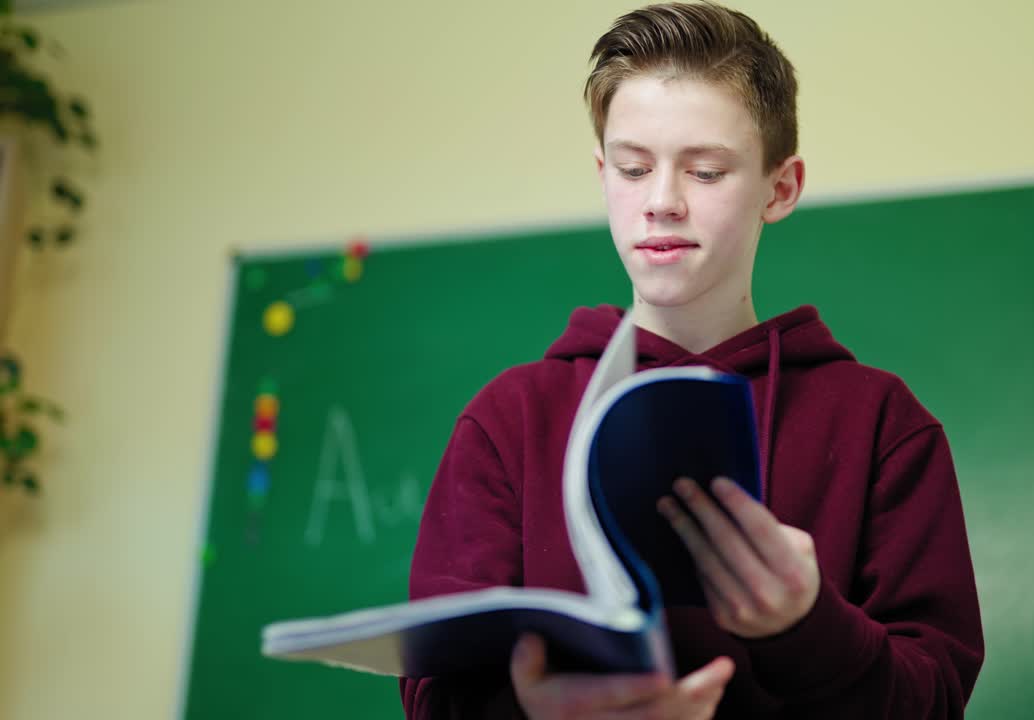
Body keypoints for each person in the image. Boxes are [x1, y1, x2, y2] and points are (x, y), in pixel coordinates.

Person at [401, 2, 984, 717]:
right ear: (602, 172)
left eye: (705, 172)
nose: (661, 202)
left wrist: (808, 627)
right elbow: (433, 693)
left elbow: (936, 700)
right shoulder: (507, 419)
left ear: (782, 187)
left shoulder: (885, 425)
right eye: (633, 167)